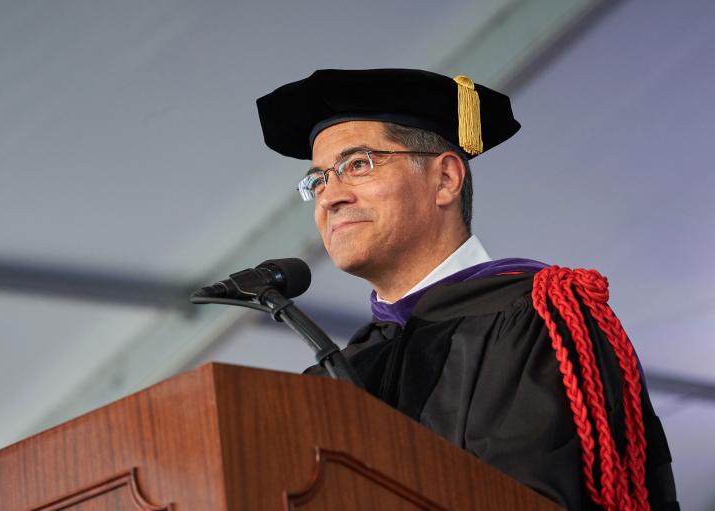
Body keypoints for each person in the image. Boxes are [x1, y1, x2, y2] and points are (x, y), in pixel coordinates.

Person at [256, 69, 678, 510]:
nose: (329, 197)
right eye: (318, 180)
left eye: (357, 165)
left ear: (445, 179)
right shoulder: (346, 372)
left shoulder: (540, 317)